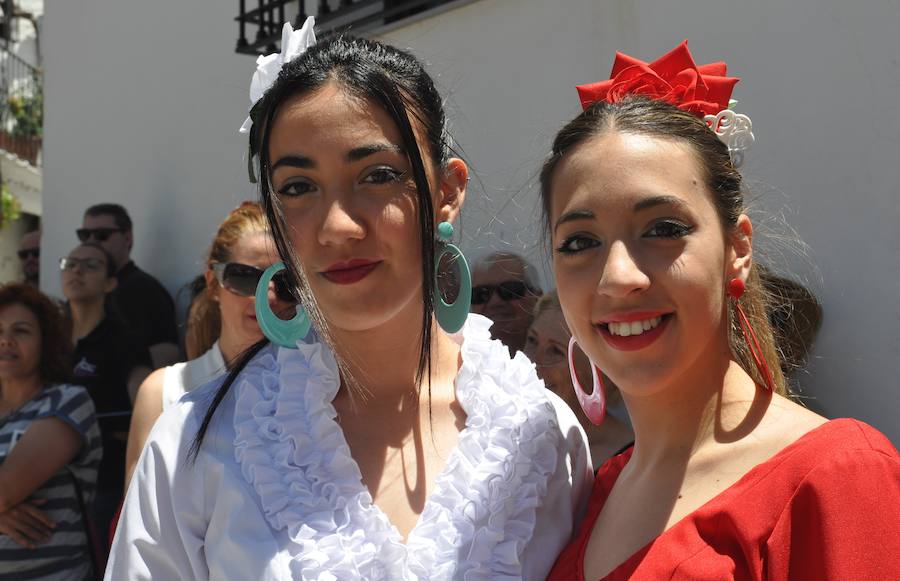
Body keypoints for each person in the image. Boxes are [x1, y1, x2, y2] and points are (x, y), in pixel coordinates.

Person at [108, 19, 591, 580]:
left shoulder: (543, 434)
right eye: (297, 187)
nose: (337, 225)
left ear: (447, 192)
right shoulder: (196, 443)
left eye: (377, 175)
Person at [543, 43, 900, 579]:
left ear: (738, 248)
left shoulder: (836, 473)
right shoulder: (595, 490)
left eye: (663, 230)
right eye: (578, 242)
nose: (618, 277)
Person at [124, 202, 289, 486]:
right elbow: (139, 522)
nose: (267, 297)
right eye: (246, 277)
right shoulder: (163, 391)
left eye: (284, 281)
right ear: (213, 284)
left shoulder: (322, 389)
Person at [0, 283, 102, 580]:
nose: (6, 340)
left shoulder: (67, 402)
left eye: (21, 331)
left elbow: (5, 491)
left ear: (46, 341)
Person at [61, 242, 152, 551]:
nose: (77, 271)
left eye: (90, 265)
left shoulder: (123, 339)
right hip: (46, 480)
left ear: (111, 282)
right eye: (70, 264)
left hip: (103, 485)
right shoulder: (47, 337)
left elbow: (144, 403)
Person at [525, 291, 633, 468]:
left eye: (555, 351)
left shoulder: (624, 460)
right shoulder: (517, 434)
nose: (532, 362)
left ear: (598, 371)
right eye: (532, 340)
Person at [79, 203, 179, 368]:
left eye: (101, 235)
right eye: (85, 235)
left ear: (127, 238)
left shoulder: (145, 290)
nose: (91, 242)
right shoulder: (85, 287)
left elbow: (166, 354)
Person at [470, 251, 541, 355]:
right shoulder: (457, 362)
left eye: (510, 290)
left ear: (537, 298)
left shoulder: (559, 358)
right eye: (481, 294)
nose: (495, 302)